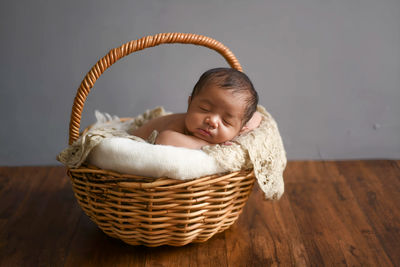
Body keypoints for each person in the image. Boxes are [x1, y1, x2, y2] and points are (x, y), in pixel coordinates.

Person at [131, 67, 262, 149]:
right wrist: (211, 146)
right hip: (133, 141)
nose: (212, 121)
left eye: (226, 121)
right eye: (204, 109)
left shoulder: (241, 125)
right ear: (190, 103)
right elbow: (165, 139)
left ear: (241, 128)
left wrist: (239, 131)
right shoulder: (179, 126)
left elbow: (257, 116)